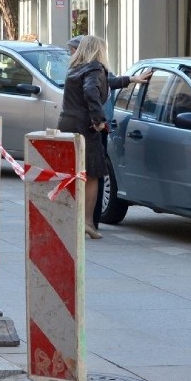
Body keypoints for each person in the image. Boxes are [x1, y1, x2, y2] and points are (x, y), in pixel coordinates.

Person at [58, 35, 150, 239]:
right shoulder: (94, 68)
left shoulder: (76, 68)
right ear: (98, 50)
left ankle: (71, 219)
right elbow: (91, 90)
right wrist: (98, 119)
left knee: (74, 173)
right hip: (85, 128)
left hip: (67, 124)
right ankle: (88, 223)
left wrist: (130, 79)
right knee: (92, 174)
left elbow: (104, 83)